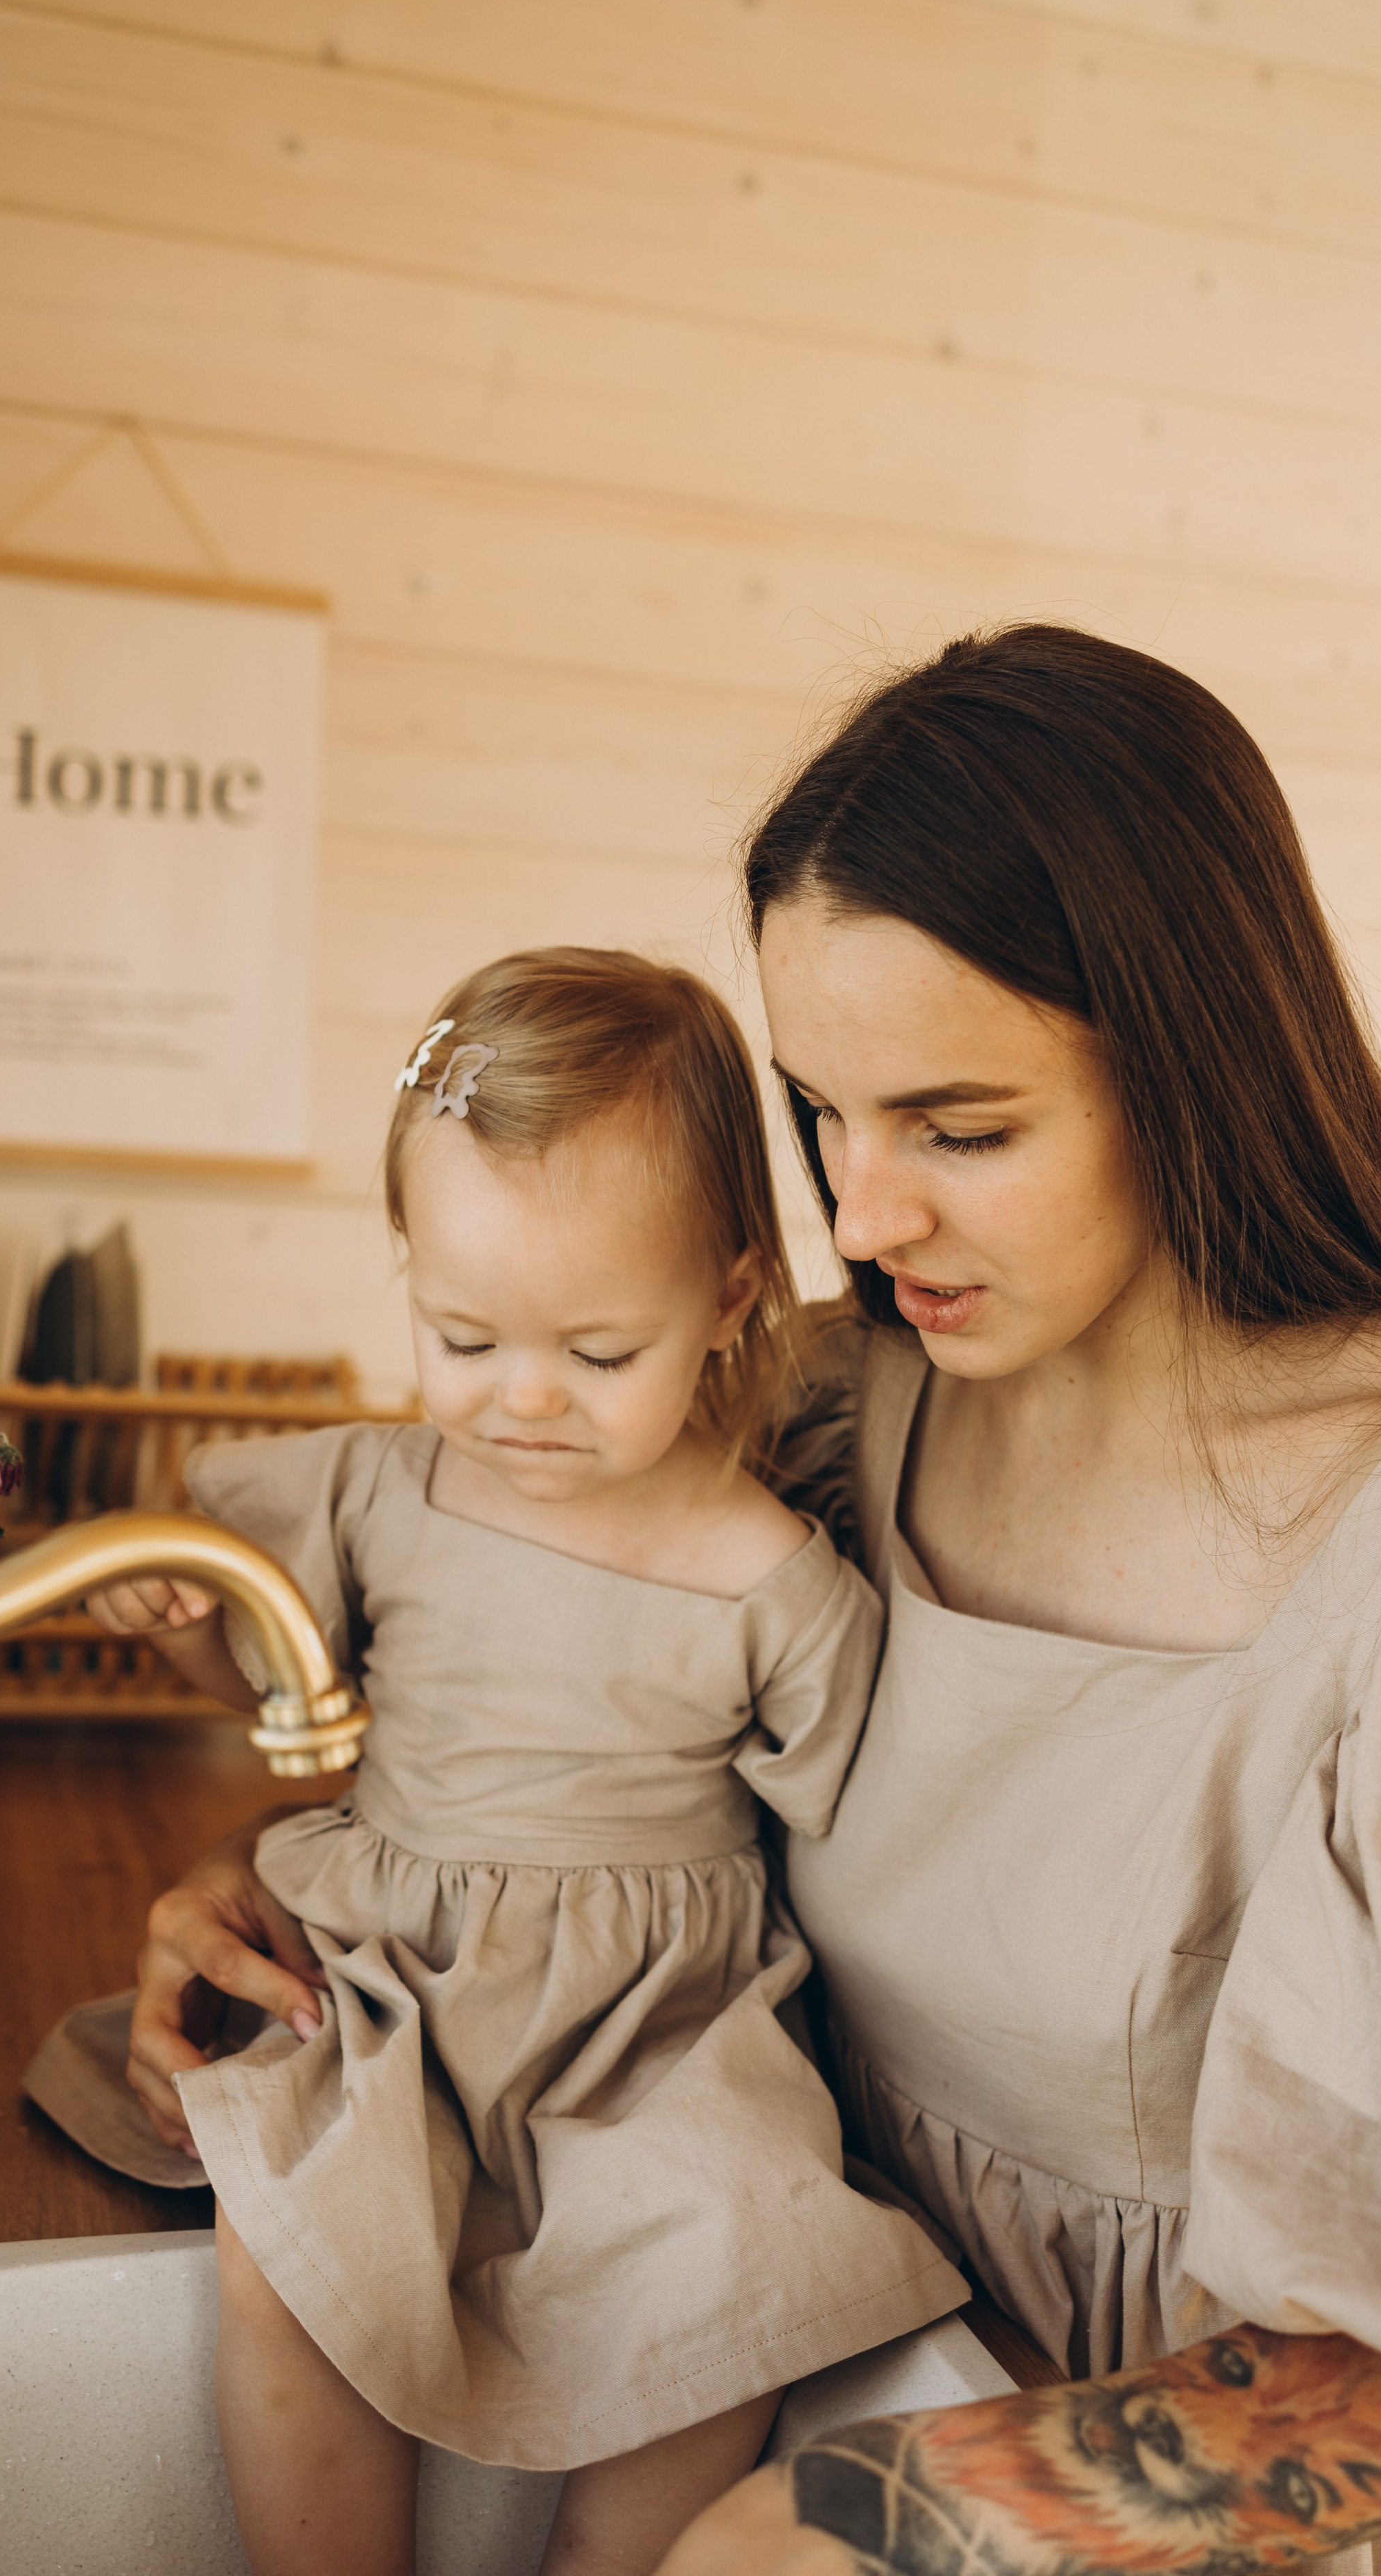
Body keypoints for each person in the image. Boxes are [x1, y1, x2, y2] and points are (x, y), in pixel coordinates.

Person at [132, 631, 1381, 2576]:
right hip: (784, 2370)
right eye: (822, 1111)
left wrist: (871, 2519)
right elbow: (600, 1777)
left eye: (960, 1128)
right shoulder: (819, 1404)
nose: (863, 1215)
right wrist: (283, 1898)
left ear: (1200, 1067)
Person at [90, 948, 966, 2576]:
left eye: (595, 1352)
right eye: (463, 1335)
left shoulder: (762, 1572)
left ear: (725, 1299)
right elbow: (267, 1669)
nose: (522, 1401)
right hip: (389, 1978)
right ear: (408, 1267)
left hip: (654, 2024)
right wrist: (177, 1625)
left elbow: (866, 1814)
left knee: (731, 2269)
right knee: (284, 2246)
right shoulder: (375, 1490)